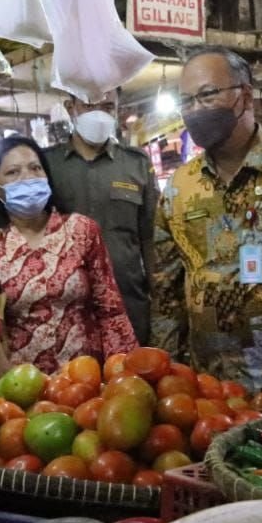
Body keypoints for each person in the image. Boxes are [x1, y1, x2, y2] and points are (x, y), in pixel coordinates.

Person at [151, 48, 262, 399]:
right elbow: (167, 293)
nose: (196, 109)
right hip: (212, 391)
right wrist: (165, 374)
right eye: (186, 101)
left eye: (207, 95)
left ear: (244, 95)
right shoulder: (180, 187)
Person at [0, 136, 137, 375]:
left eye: (35, 168)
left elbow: (109, 306)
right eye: (13, 172)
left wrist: (123, 371)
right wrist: (0, 369)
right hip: (20, 379)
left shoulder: (82, 230)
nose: (28, 177)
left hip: (86, 375)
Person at [43, 90, 159, 343]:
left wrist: (158, 294)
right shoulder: (46, 165)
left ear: (118, 109)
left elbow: (150, 238)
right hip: (64, 306)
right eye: (88, 105)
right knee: (73, 381)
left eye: (107, 106)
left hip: (128, 300)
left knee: (133, 378)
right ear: (70, 106)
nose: (98, 114)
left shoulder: (136, 164)